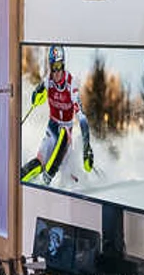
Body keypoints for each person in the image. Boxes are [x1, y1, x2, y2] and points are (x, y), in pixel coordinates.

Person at [21, 44, 95, 185]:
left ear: (63, 65)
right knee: (39, 163)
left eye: (59, 66)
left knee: (69, 173)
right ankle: (20, 178)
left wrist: (87, 146)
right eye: (53, 67)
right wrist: (36, 95)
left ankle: (53, 175)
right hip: (52, 129)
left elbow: (82, 118)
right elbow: (36, 95)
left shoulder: (71, 84)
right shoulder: (48, 81)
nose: (56, 72)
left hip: (66, 132)